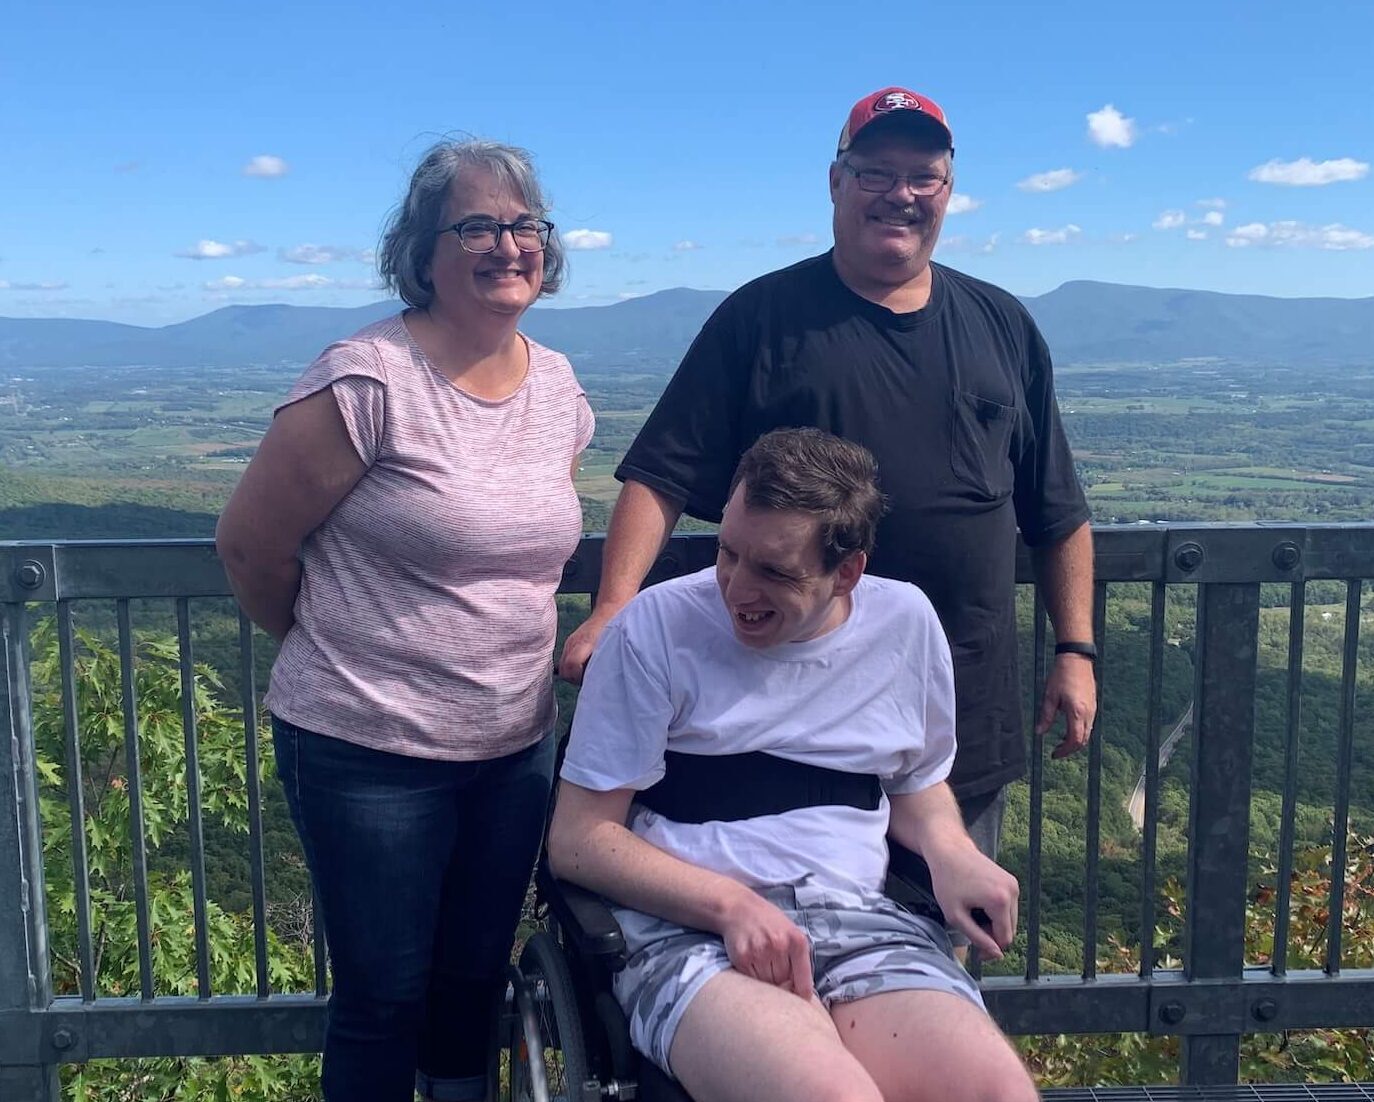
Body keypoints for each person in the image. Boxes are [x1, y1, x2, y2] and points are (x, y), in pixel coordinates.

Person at [559, 86, 1096, 886]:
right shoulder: (763, 318)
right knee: (776, 947)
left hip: (951, 714)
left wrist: (1076, 648)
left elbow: (1055, 508)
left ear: (948, 191)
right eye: (877, 172)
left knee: (929, 947)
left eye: (924, 176)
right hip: (783, 725)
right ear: (836, 181)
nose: (901, 195)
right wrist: (614, 605)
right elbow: (662, 470)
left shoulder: (1002, 325)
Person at [216, 138, 593, 1102]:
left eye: (524, 226)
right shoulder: (367, 381)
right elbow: (252, 550)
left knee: (472, 983)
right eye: (475, 225)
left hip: (512, 746)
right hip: (364, 746)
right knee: (384, 999)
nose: (507, 244)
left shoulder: (559, 388)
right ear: (423, 253)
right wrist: (340, 649)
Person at [549, 428, 1038, 1102]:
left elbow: (914, 781)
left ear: (848, 572)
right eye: (728, 552)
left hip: (860, 915)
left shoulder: (904, 625)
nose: (736, 588)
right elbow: (578, 841)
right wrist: (729, 905)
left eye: (774, 571)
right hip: (691, 934)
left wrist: (952, 850)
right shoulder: (657, 628)